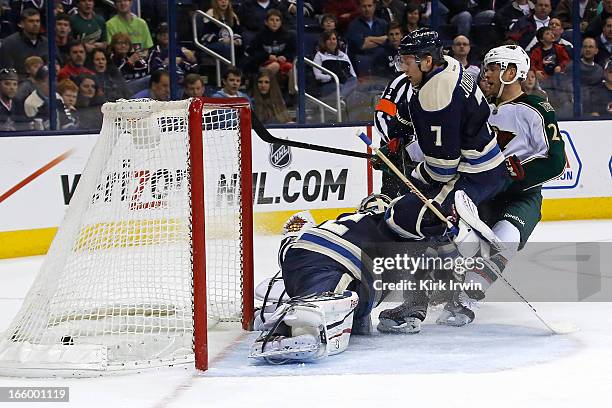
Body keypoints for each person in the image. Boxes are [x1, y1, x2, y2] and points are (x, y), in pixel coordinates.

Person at [435, 44, 566, 325]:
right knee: (444, 237)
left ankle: (467, 299)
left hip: (521, 198)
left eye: (493, 68)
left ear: (511, 72)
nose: (486, 75)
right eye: (486, 68)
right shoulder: (477, 110)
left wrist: (514, 175)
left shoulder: (536, 109)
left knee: (503, 240)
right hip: (481, 195)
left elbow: (555, 161)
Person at [250, 195, 428, 362]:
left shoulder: (347, 219)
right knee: (325, 299)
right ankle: (293, 326)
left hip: (303, 251)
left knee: (316, 285)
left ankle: (291, 244)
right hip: (337, 262)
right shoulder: (393, 228)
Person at [244, 9, 295, 77]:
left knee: (291, 69)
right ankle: (271, 87)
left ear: (281, 22)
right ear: (266, 22)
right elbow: (251, 52)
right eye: (272, 20)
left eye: (277, 20)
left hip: (282, 63)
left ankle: (292, 88)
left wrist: (285, 57)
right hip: (262, 64)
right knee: (275, 66)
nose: (275, 22)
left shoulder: (287, 36)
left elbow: (292, 52)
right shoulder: (260, 36)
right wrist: (267, 57)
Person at [0, 8, 48, 79]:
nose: (35, 24)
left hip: (45, 83)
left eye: (37, 21)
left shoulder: (46, 43)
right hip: (19, 85)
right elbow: (7, 72)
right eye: (31, 21)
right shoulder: (9, 43)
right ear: (21, 24)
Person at [346, 0, 388, 76]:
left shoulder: (382, 23)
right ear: (359, 8)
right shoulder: (354, 25)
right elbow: (362, 45)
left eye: (369, 6)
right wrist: (380, 41)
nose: (367, 9)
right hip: (361, 63)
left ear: (374, 6)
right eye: (364, 6)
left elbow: (388, 40)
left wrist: (369, 38)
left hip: (381, 63)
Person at [312, 30, 358, 98]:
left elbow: (353, 74)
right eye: (329, 39)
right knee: (342, 87)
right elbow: (317, 75)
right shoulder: (320, 55)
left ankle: (341, 97)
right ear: (324, 42)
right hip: (329, 84)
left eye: (334, 39)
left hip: (345, 83)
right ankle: (342, 98)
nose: (332, 41)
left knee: (354, 81)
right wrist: (331, 77)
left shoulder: (344, 56)